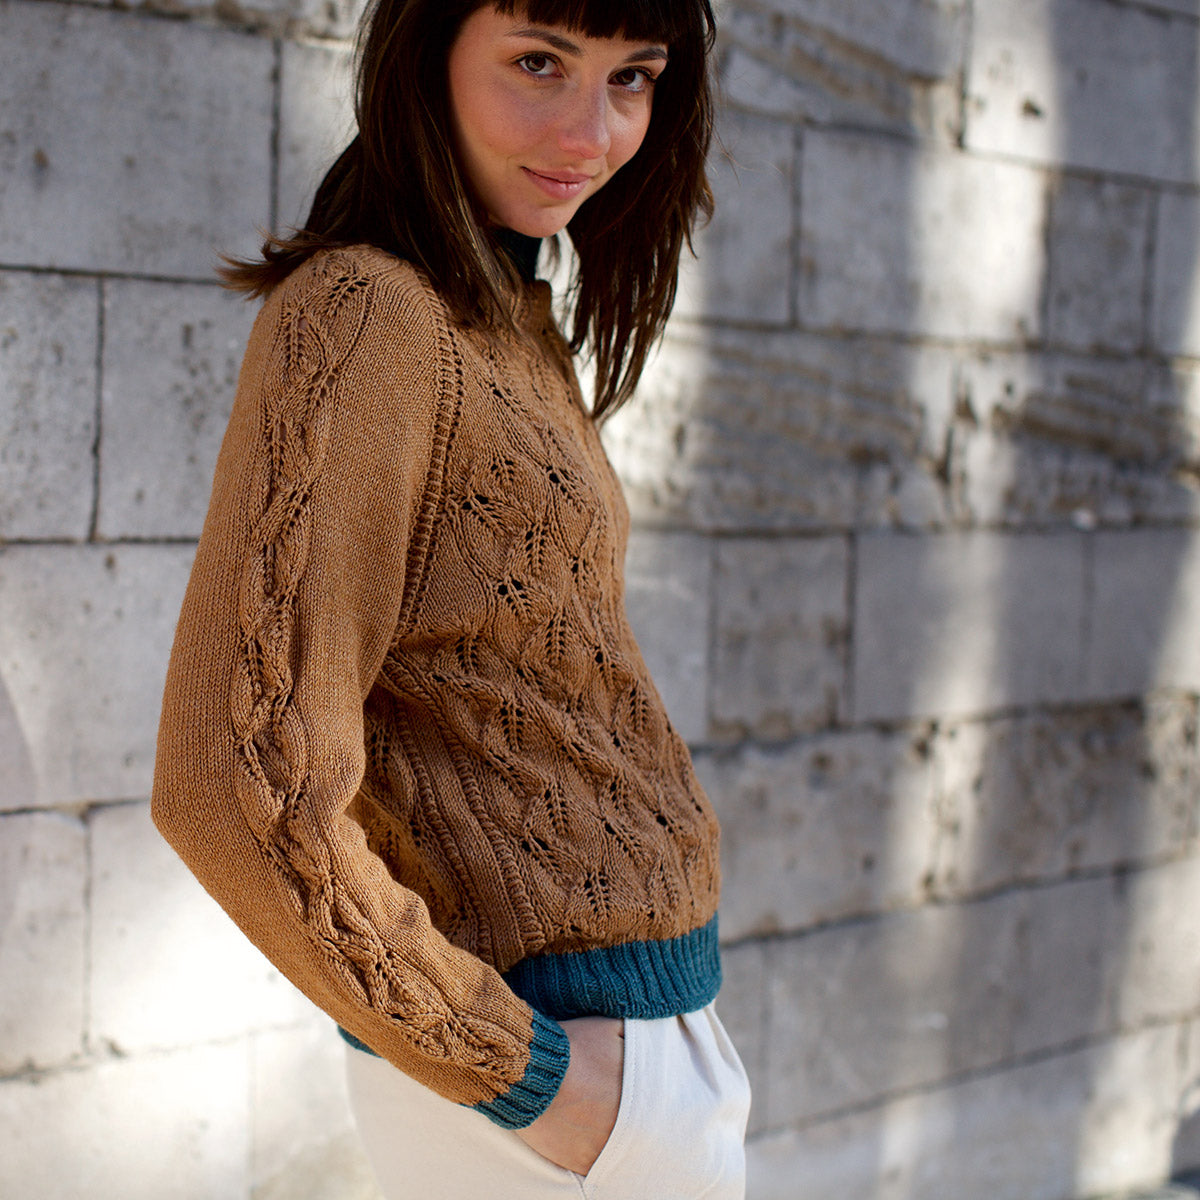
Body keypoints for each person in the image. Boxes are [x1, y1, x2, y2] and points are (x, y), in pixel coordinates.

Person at [151, 0, 750, 1195]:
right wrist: (529, 1080)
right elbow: (234, 779)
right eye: (540, 63)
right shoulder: (369, 315)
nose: (592, 128)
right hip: (546, 1085)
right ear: (425, 59)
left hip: (633, 1058)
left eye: (633, 77)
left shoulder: (503, 318)